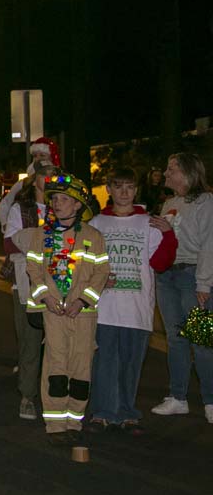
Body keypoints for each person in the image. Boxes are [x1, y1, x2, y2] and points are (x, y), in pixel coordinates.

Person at [14, 172, 110, 446]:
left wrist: (83, 301)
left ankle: (74, 421)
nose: (57, 203)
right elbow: (33, 269)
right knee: (55, 365)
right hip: (53, 312)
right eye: (54, 198)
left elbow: (101, 273)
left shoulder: (93, 236)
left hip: (83, 314)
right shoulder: (41, 235)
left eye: (64, 199)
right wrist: (46, 298)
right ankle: (55, 424)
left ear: (78, 205)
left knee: (81, 366)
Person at [88, 166, 177, 433]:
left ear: (136, 190)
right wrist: (100, 279)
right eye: (118, 186)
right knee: (104, 362)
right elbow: (86, 264)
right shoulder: (96, 224)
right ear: (109, 189)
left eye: (129, 187)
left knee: (130, 363)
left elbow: (161, 263)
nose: (124, 192)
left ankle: (127, 412)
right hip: (105, 308)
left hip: (136, 308)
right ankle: (102, 412)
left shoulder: (148, 223)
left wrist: (169, 235)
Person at [151, 152, 213, 422]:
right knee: (175, 338)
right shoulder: (169, 204)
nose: (166, 174)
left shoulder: (206, 202)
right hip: (168, 278)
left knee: (202, 341)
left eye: (171, 169)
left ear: (188, 173)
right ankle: (178, 397)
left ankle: (210, 400)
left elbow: (210, 244)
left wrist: (204, 283)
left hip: (192, 278)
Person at [3, 161, 56, 421]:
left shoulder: (68, 206)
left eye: (55, 175)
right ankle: (27, 396)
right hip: (26, 284)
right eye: (45, 176)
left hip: (61, 285)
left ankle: (56, 398)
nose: (50, 180)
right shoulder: (21, 209)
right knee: (30, 342)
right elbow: (10, 245)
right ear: (35, 180)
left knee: (59, 345)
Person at [0, 137, 61, 230]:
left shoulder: (60, 181)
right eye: (35, 156)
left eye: (42, 155)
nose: (38, 159)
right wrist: (6, 225)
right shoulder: (24, 183)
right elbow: (6, 202)